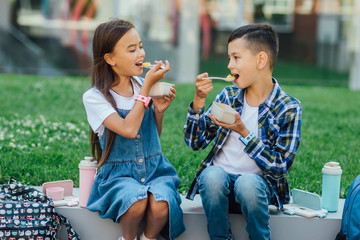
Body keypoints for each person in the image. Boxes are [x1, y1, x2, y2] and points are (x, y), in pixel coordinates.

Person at [183, 24, 302, 240]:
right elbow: (195, 142)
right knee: (211, 176)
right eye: (229, 58)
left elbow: (280, 168)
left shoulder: (288, 107)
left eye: (236, 58)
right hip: (219, 191)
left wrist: (244, 132)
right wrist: (199, 102)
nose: (229, 65)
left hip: (257, 191)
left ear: (260, 61)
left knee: (247, 183)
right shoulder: (227, 96)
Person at [83, 19, 185, 240]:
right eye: (132, 49)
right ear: (110, 59)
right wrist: (147, 87)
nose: (141, 53)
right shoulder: (95, 97)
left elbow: (150, 137)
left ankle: (148, 238)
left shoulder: (141, 85)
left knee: (161, 204)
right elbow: (128, 130)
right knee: (136, 201)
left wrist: (159, 111)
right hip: (119, 175)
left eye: (140, 46)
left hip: (154, 169)